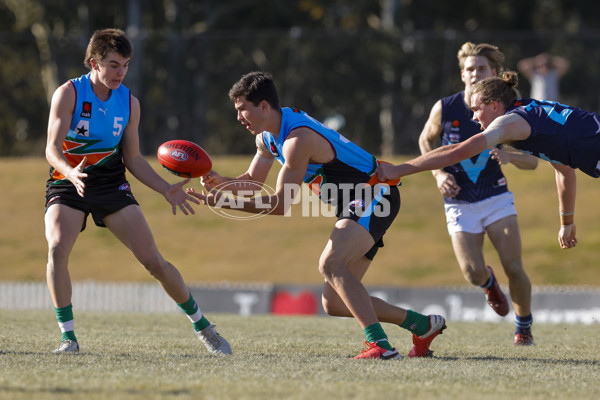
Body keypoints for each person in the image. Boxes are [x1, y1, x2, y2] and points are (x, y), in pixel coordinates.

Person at [187, 71, 446, 360]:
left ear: (263, 106)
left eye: (241, 109)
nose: (238, 117)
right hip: (355, 204)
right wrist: (222, 182)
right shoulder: (267, 138)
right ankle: (422, 325)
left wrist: (223, 202)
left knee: (331, 264)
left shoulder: (297, 140)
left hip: (377, 193)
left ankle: (382, 347)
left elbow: (281, 204)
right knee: (334, 302)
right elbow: (253, 180)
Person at [44, 28, 231, 355]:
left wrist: (165, 189)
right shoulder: (69, 93)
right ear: (94, 63)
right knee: (57, 249)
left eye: (126, 65)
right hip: (67, 180)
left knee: (154, 262)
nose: (120, 72)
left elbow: (132, 158)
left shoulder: (129, 102)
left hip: (110, 182)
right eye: (114, 65)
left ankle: (204, 327)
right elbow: (51, 148)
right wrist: (71, 170)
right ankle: (68, 338)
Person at [377, 70, 596, 254]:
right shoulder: (529, 114)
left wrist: (398, 169)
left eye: (476, 109)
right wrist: (567, 223)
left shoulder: (509, 122)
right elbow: (564, 171)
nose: (473, 118)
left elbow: (456, 151)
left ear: (494, 106)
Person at [418, 42, 538, 345]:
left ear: (494, 73)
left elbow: (534, 161)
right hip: (458, 200)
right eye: (470, 69)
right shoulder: (444, 107)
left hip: (496, 197)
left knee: (514, 265)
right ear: (462, 74)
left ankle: (523, 327)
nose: (475, 74)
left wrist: (510, 157)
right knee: (472, 272)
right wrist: (438, 173)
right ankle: (489, 284)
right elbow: (425, 140)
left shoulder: (510, 110)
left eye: (481, 68)